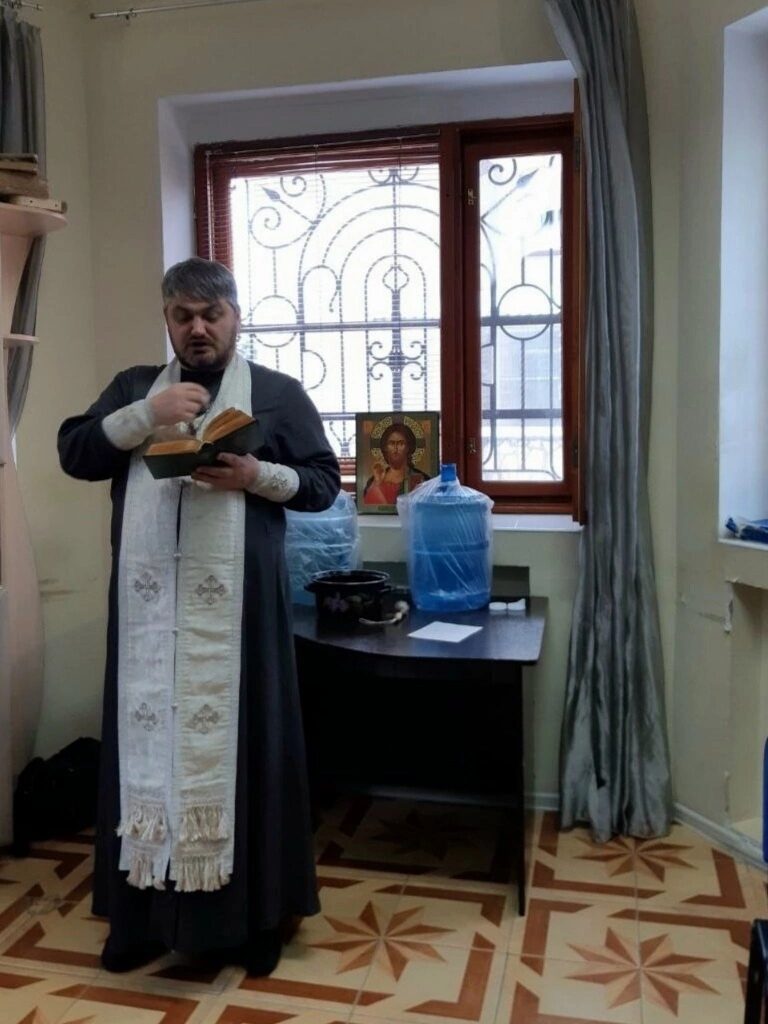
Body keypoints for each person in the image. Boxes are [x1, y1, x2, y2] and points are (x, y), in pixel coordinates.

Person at [57, 257, 340, 977]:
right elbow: (75, 454)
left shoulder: (275, 394)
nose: (198, 329)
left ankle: (252, 924)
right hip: (150, 621)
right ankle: (140, 923)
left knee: (249, 752)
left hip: (240, 622)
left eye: (212, 315)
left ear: (235, 318)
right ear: (168, 320)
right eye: (183, 316)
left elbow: (324, 484)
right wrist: (146, 417)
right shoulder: (135, 388)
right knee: (144, 756)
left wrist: (254, 475)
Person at [362, 422, 430, 505]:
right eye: (391, 443)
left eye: (401, 443)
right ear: (385, 447)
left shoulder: (421, 479)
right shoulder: (374, 481)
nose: (395, 448)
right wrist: (377, 483)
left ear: (408, 447)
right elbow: (368, 506)